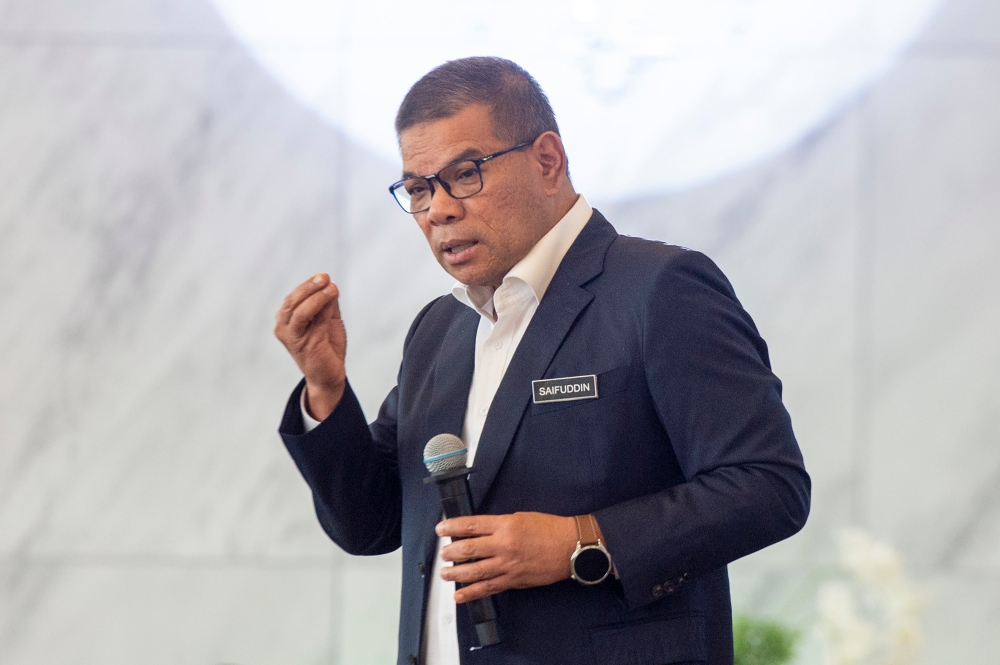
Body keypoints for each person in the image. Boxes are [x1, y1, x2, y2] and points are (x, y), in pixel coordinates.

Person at [274, 57, 810, 665]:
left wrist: (577, 543)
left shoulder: (660, 289)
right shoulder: (440, 330)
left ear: (547, 160)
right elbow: (368, 525)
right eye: (420, 189)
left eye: (465, 174)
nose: (439, 210)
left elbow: (769, 486)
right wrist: (325, 389)